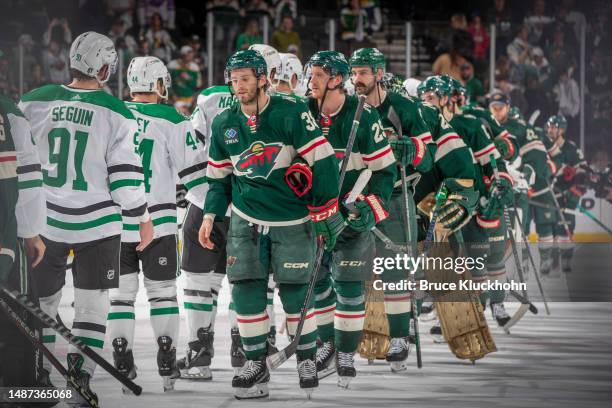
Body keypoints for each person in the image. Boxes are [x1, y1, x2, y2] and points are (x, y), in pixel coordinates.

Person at [18, 31, 153, 406]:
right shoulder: (116, 111)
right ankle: (80, 379)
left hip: (43, 221)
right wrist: (142, 215)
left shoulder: (32, 101)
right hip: (98, 224)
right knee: (92, 304)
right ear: (105, 66)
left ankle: (38, 375)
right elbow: (125, 177)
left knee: (41, 304)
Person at [199, 49, 342, 399]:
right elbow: (218, 178)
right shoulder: (224, 122)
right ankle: (253, 361)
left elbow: (322, 161)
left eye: (244, 79)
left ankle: (306, 357)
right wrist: (209, 215)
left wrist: (324, 210)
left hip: (293, 219)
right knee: (245, 289)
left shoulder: (291, 111)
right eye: (233, 80)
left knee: (294, 290)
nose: (237, 86)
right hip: (245, 220)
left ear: (263, 78)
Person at [107, 56, 207, 392]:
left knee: (120, 297)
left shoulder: (111, 113)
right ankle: (167, 355)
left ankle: (122, 354)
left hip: (114, 225)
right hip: (160, 224)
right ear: (160, 84)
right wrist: (214, 211)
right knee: (163, 294)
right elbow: (198, 179)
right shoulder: (171, 119)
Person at [306, 50, 396, 387]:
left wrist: (372, 207)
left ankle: (345, 352)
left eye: (316, 76)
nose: (310, 81)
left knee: (348, 285)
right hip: (316, 215)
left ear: (335, 80)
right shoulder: (304, 111)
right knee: (314, 283)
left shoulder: (363, 115)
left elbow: (384, 173)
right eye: (310, 74)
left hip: (350, 214)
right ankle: (327, 342)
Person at [348, 48, 435, 372]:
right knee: (353, 268)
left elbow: (429, 156)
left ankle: (399, 336)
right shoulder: (347, 106)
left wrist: (409, 149)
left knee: (396, 267)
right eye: (354, 73)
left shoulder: (402, 107)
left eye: (364, 73)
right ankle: (350, 336)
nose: (357, 79)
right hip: (357, 197)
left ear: (379, 73)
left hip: (395, 196)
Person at [545, 114, 588, 273]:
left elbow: (583, 171)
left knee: (567, 226)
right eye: (549, 126)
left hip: (569, 193)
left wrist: (575, 180)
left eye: (554, 127)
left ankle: (567, 259)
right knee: (551, 228)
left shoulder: (571, 148)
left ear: (561, 129)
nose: (550, 130)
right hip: (551, 193)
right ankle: (553, 258)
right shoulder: (545, 146)